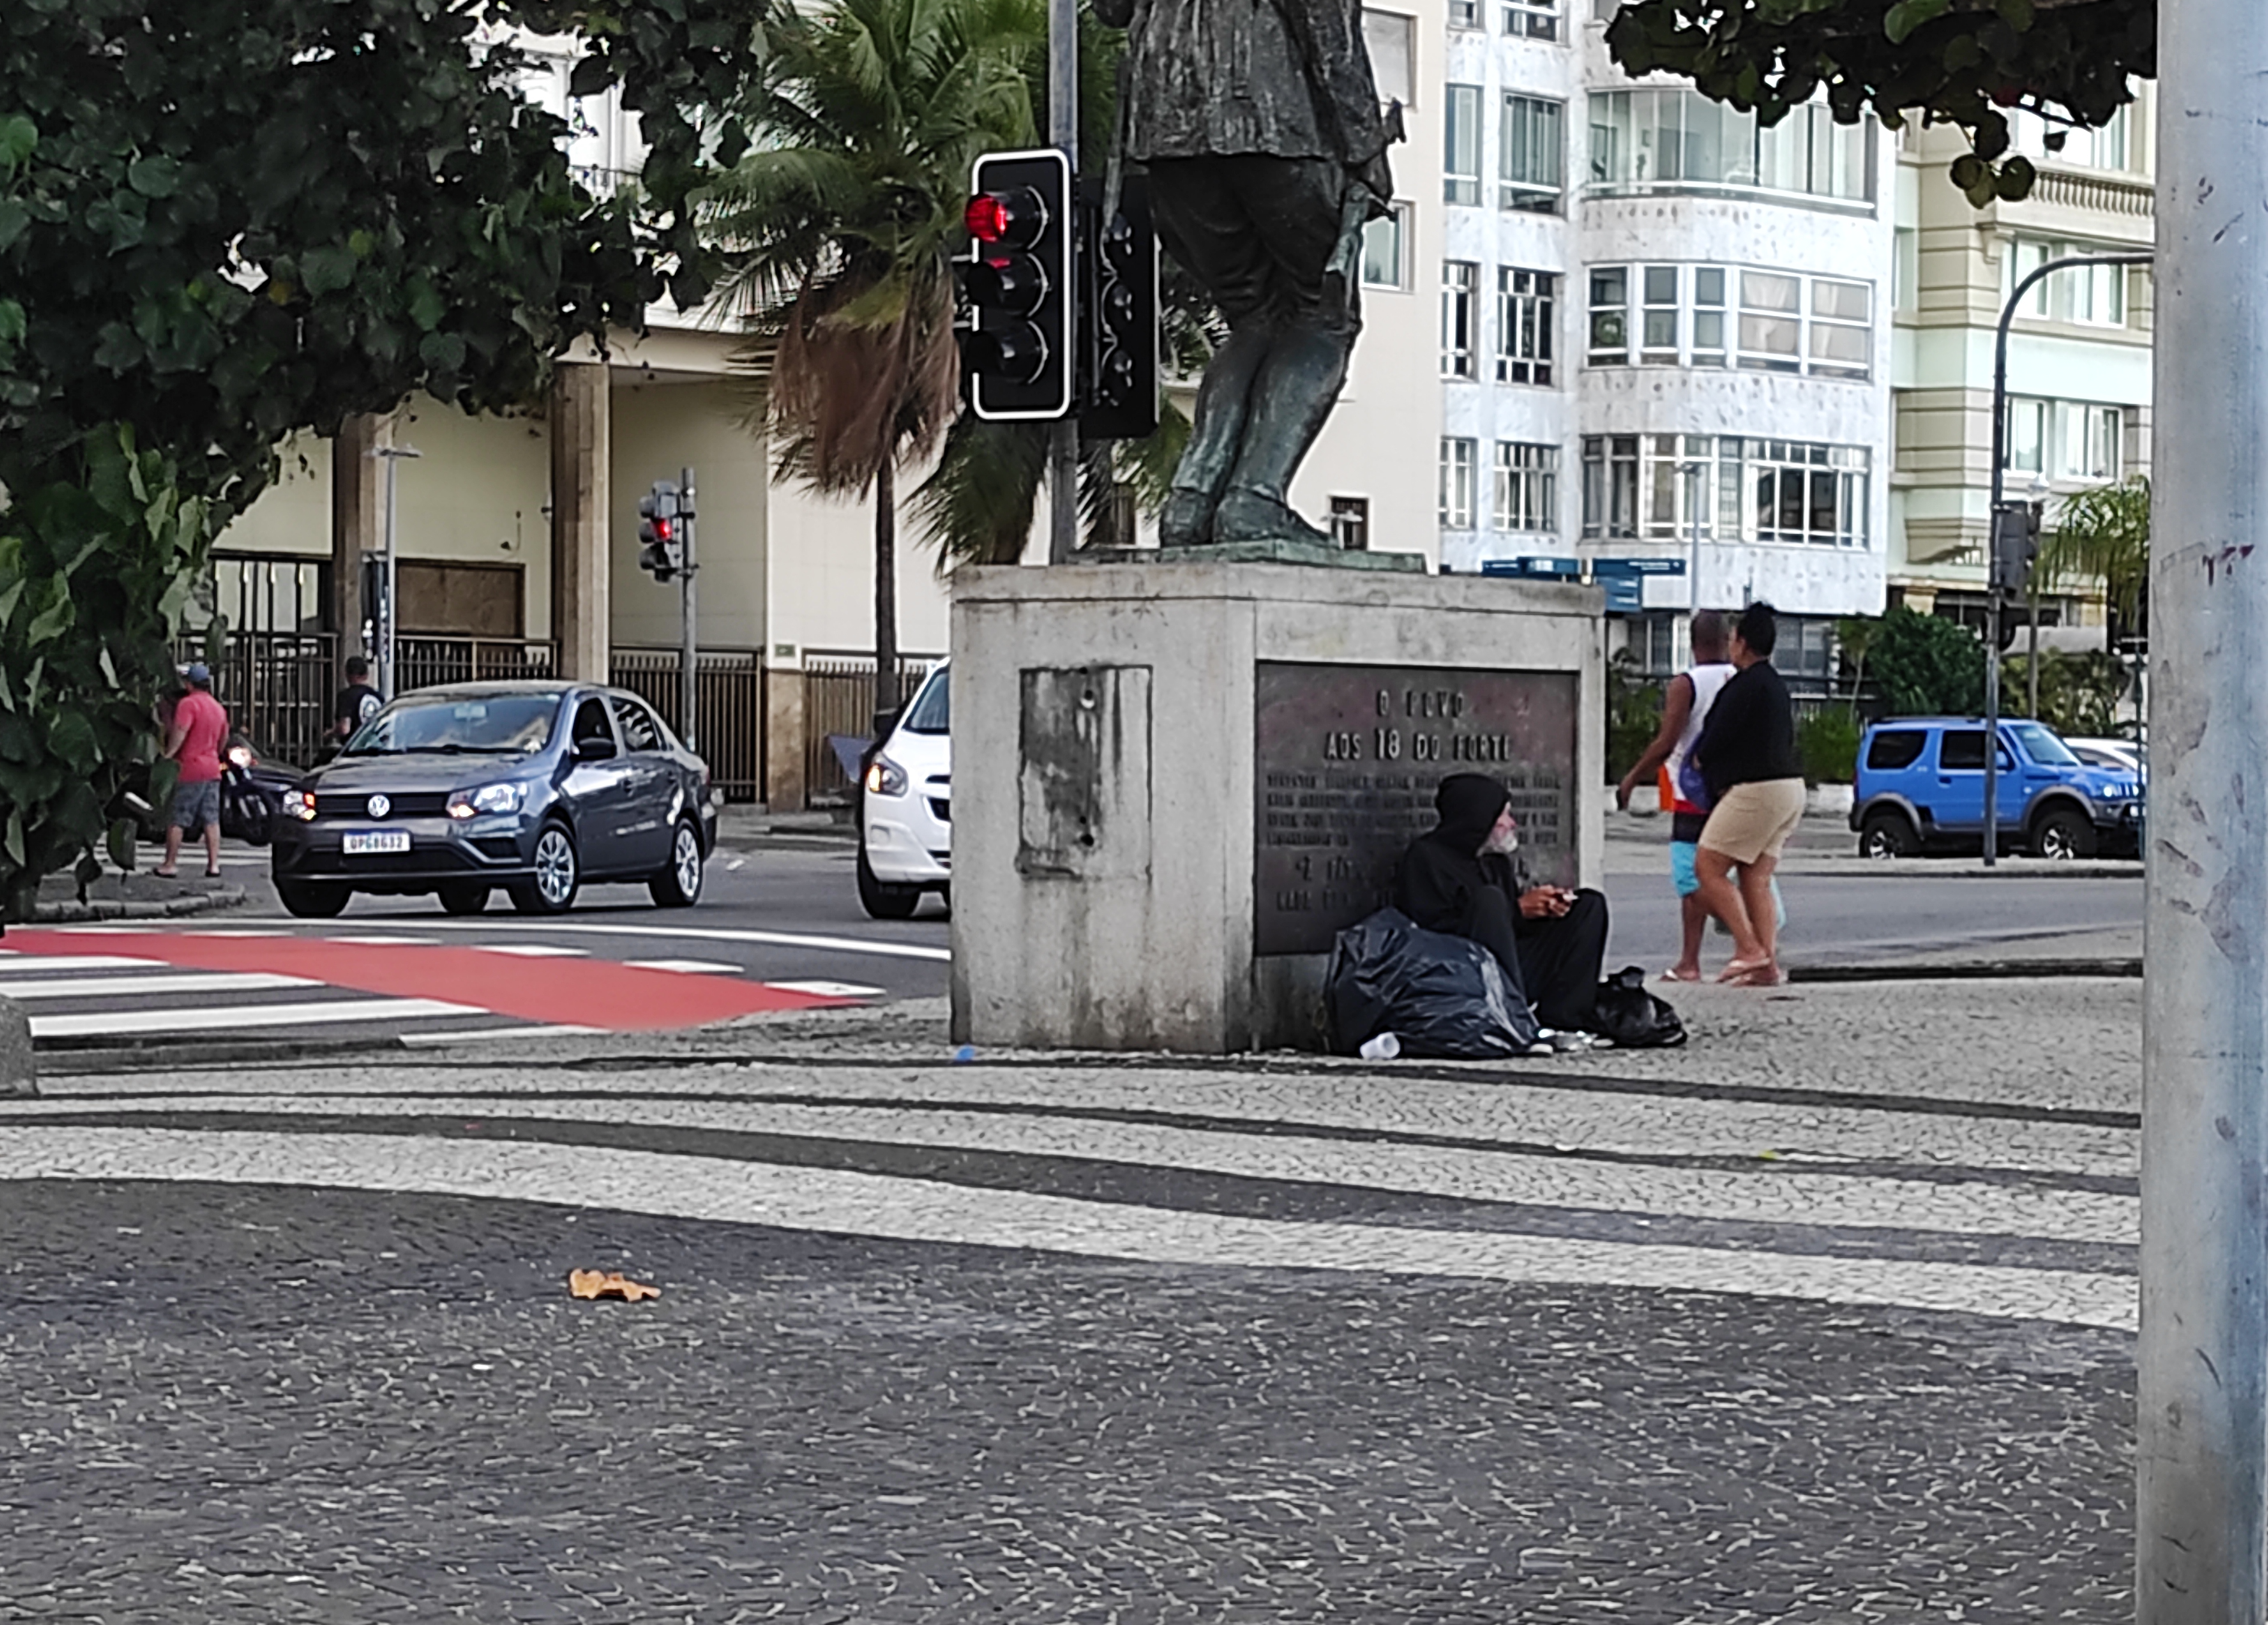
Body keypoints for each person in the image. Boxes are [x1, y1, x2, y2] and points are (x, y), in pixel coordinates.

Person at [1093, 0, 1397, 548]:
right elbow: (1325, 25)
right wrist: (1366, 145)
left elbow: (1111, 10)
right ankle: (1254, 499)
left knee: (1253, 315)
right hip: (1267, 112)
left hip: (1164, 121)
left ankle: (1190, 502)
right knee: (1322, 316)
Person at [1615, 610, 1782, 982]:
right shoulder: (1741, 678)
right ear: (1727, 640)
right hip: (1735, 791)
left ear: (1692, 643)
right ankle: (1700, 959)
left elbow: (1666, 743)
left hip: (1693, 794)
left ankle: (1740, 941)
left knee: (1692, 878)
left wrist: (1631, 779)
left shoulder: (1686, 683)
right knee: (1746, 873)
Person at [1394, 772, 1611, 1033]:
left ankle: (1565, 1017)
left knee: (1588, 905)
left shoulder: (1494, 862)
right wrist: (1516, 910)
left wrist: (1544, 910)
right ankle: (1512, 1016)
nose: (1512, 824)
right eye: (1504, 816)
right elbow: (1436, 931)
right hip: (1463, 978)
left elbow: (1512, 927)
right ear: (1479, 819)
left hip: (1512, 970)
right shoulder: (1426, 858)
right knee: (1490, 900)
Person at [1689, 602, 1807, 987]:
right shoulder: (1774, 684)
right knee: (1755, 876)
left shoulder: (1743, 685)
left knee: (1708, 867)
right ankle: (1767, 965)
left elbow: (1715, 738)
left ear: (1740, 642)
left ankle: (1748, 948)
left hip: (1758, 788)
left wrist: (1701, 762)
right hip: (1791, 789)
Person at [156, 662, 228, 880]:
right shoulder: (218, 708)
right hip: (212, 768)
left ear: (189, 684)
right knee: (211, 819)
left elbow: (181, 732)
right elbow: (223, 740)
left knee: (178, 818)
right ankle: (214, 864)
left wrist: (168, 755)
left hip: (190, 767)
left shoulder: (188, 705)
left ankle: (170, 863)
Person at [333, 656, 383, 743]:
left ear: (347, 675)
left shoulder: (346, 696)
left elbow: (345, 729)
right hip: (376, 747)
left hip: (355, 749)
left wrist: (330, 733)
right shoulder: (378, 697)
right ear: (366, 675)